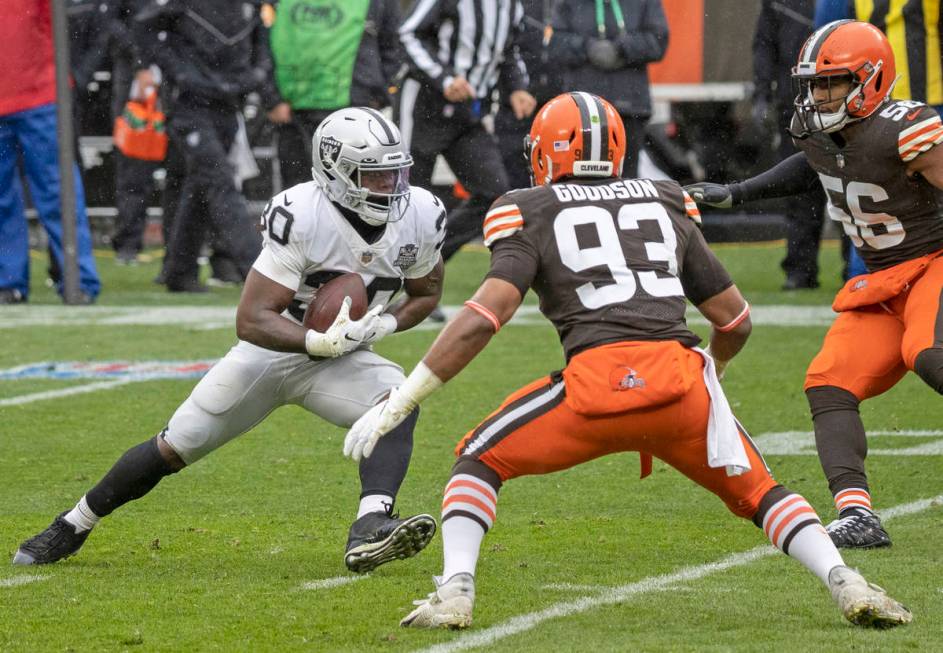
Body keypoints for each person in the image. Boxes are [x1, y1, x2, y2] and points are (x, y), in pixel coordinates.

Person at [342, 92, 912, 629]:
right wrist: (709, 380)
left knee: (477, 461)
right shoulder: (663, 199)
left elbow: (483, 317)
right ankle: (849, 582)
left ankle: (456, 591)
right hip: (682, 384)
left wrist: (406, 396)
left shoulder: (527, 208)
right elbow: (735, 320)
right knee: (764, 495)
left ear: (545, 151)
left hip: (593, 388)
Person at [13, 108, 447, 574]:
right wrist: (317, 342)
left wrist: (387, 326)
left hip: (346, 359)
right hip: (271, 353)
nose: (392, 188)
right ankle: (74, 523)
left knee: (396, 403)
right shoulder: (302, 214)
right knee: (177, 444)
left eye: (395, 174)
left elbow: (426, 292)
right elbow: (252, 318)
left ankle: (371, 525)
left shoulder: (421, 214)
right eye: (376, 177)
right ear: (337, 173)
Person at [685, 21, 943, 548]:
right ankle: (857, 514)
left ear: (871, 80)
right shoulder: (815, 128)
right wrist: (735, 193)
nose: (819, 94)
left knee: (926, 351)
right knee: (829, 381)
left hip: (934, 261)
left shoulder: (907, 128)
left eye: (833, 82)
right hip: (883, 279)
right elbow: (812, 167)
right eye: (815, 83)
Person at [132, 0, 278, 293]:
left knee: (201, 187)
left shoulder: (252, 7)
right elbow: (144, 26)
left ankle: (179, 271)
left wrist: (258, 74)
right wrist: (180, 73)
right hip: (190, 104)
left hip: (227, 101)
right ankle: (263, 274)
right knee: (221, 183)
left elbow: (262, 40)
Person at [397, 0, 537, 264]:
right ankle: (378, 279)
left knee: (494, 194)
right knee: (407, 196)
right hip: (424, 104)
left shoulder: (511, 5)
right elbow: (408, 33)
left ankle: (424, 264)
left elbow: (509, 50)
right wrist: (444, 77)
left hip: (469, 111)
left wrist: (517, 86)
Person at [0, 0, 101, 305]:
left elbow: (56, 24)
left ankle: (78, 279)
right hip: (36, 90)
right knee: (12, 197)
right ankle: (10, 282)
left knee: (58, 191)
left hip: (41, 94)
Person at [268, 0, 403, 190]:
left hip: (354, 107)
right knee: (300, 190)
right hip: (293, 112)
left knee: (353, 189)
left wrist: (376, 94)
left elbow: (393, 45)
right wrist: (272, 99)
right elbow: (260, 41)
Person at [753, 0, 828, 289]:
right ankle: (800, 268)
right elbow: (764, 44)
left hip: (842, 104)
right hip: (796, 106)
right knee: (801, 189)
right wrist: (762, 94)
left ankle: (855, 269)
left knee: (850, 188)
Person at [548, 0, 668, 178]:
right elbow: (555, 43)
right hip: (581, 112)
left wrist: (621, 49)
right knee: (579, 179)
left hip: (629, 107)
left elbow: (659, 40)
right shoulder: (568, 3)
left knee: (626, 180)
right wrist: (589, 48)